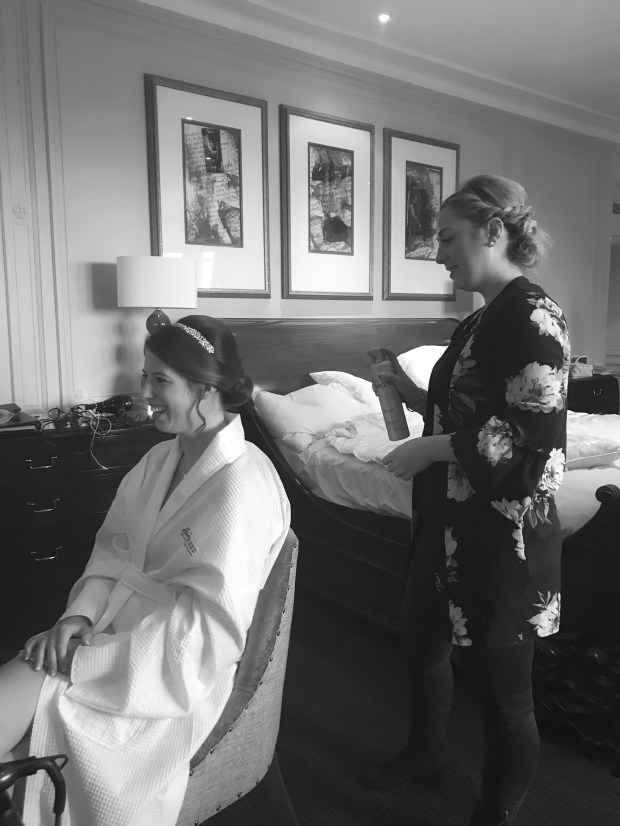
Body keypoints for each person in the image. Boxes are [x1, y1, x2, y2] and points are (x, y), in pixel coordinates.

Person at [0, 315, 291, 826]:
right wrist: (79, 617)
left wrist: (88, 663)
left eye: (161, 380)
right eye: (145, 376)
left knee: (25, 713)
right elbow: (115, 548)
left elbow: (207, 638)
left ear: (206, 388)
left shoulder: (241, 487)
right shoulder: (159, 459)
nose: (145, 393)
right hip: (111, 629)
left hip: (166, 673)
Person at [366, 175, 571, 825]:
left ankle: (496, 811)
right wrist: (401, 390)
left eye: (447, 238)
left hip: (502, 532)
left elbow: (532, 443)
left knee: (505, 691)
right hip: (447, 520)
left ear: (493, 232)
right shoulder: (481, 318)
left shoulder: (533, 317)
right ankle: (425, 753)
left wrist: (431, 450)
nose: (439, 254)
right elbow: (466, 408)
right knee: (420, 639)